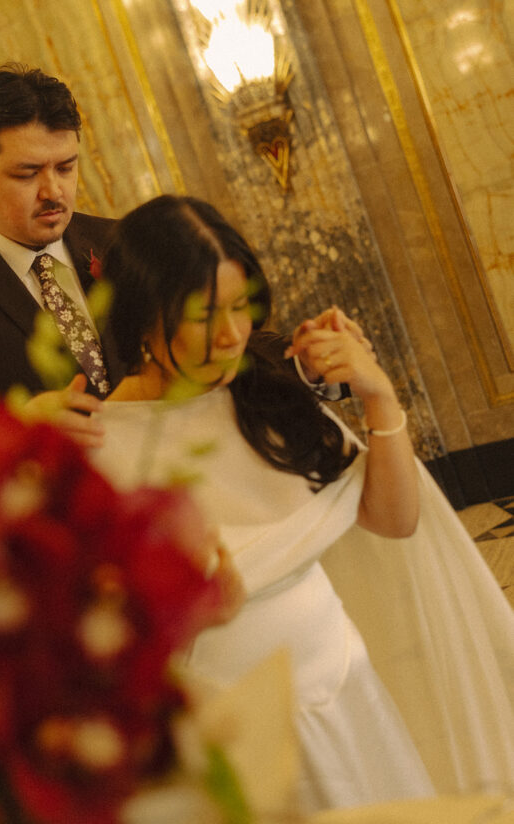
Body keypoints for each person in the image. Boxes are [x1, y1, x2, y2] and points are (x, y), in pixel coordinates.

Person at [90, 194, 514, 812]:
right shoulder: (99, 446)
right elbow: (95, 646)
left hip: (343, 687)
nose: (232, 335)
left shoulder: (260, 393)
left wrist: (379, 396)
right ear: (144, 315)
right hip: (236, 729)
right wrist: (187, 615)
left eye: (241, 306)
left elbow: (393, 520)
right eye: (205, 315)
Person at [0, 64, 352, 443]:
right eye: (27, 174)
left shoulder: (121, 242)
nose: (54, 191)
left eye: (66, 167)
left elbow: (208, 340)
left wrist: (307, 362)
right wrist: (20, 426)